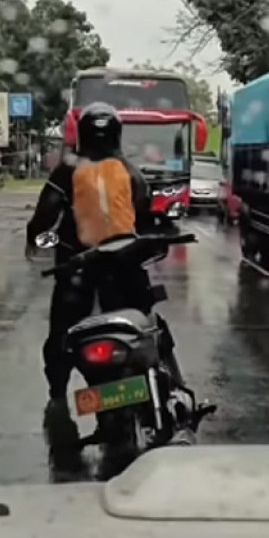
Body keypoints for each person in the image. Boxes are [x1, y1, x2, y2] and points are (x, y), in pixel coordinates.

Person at [25, 102, 186, 475]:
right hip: (125, 270)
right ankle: (156, 390)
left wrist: (43, 244)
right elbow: (146, 221)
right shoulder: (130, 172)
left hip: (77, 273)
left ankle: (57, 395)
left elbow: (43, 219)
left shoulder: (68, 169)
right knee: (148, 327)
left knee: (61, 339)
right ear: (117, 134)